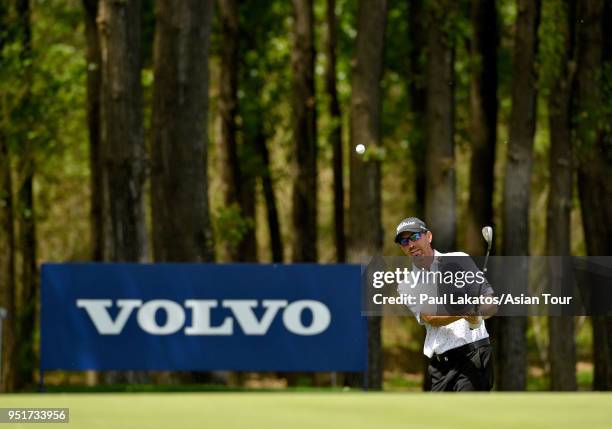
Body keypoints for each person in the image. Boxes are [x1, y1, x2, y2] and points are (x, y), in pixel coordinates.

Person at [394, 216, 496, 391]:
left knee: (468, 416)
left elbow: (491, 302)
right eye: (404, 241)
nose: (410, 245)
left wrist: (479, 313)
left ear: (429, 237)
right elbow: (431, 317)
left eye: (415, 237)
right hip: (440, 366)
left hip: (473, 356)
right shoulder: (406, 284)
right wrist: (466, 312)